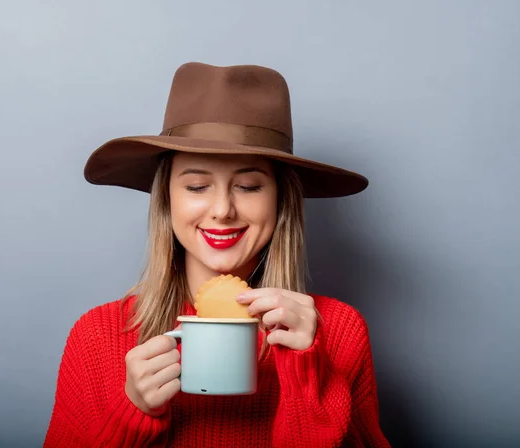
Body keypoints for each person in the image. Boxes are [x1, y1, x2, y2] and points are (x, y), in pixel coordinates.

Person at [44, 62, 390, 447]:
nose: (223, 209)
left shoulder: (339, 331)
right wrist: (132, 413)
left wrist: (309, 375)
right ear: (167, 200)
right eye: (196, 186)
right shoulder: (97, 336)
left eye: (248, 186)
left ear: (280, 201)